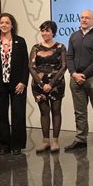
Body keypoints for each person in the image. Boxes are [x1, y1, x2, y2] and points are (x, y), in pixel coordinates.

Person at [0, 12, 29, 155]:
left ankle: (17, 145)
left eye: (7, 23)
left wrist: (23, 82)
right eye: (2, 23)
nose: (4, 25)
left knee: (18, 115)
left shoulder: (20, 41)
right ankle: (3, 145)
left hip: (17, 85)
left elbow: (25, 64)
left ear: (12, 25)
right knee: (1, 115)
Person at [66, 10, 93, 152]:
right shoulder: (74, 36)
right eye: (82, 18)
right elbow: (69, 56)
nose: (84, 20)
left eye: (87, 18)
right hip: (76, 78)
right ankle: (80, 139)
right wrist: (73, 73)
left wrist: (83, 74)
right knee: (79, 112)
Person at [29, 21, 67, 153]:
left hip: (56, 84)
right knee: (44, 112)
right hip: (39, 85)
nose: (45, 33)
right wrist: (41, 84)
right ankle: (45, 141)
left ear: (53, 32)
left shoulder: (61, 47)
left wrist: (50, 84)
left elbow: (63, 66)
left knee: (56, 111)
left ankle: (55, 141)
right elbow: (31, 67)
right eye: (43, 31)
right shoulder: (36, 47)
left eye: (47, 30)